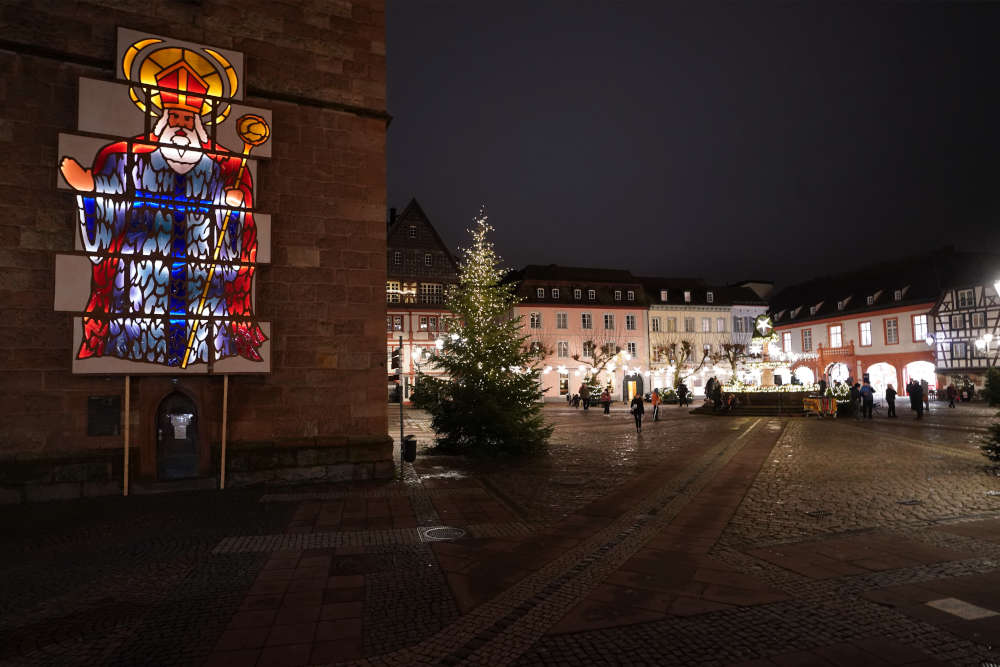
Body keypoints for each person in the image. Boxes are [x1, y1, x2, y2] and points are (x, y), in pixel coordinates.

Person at [58, 60, 264, 368]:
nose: (181, 123)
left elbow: (239, 243)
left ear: (199, 122)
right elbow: (108, 216)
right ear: (162, 118)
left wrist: (233, 209)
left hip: (202, 288)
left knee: (202, 336)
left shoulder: (225, 169)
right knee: (139, 332)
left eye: (188, 117)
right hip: (142, 285)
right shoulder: (127, 160)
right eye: (175, 115)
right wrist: (90, 190)